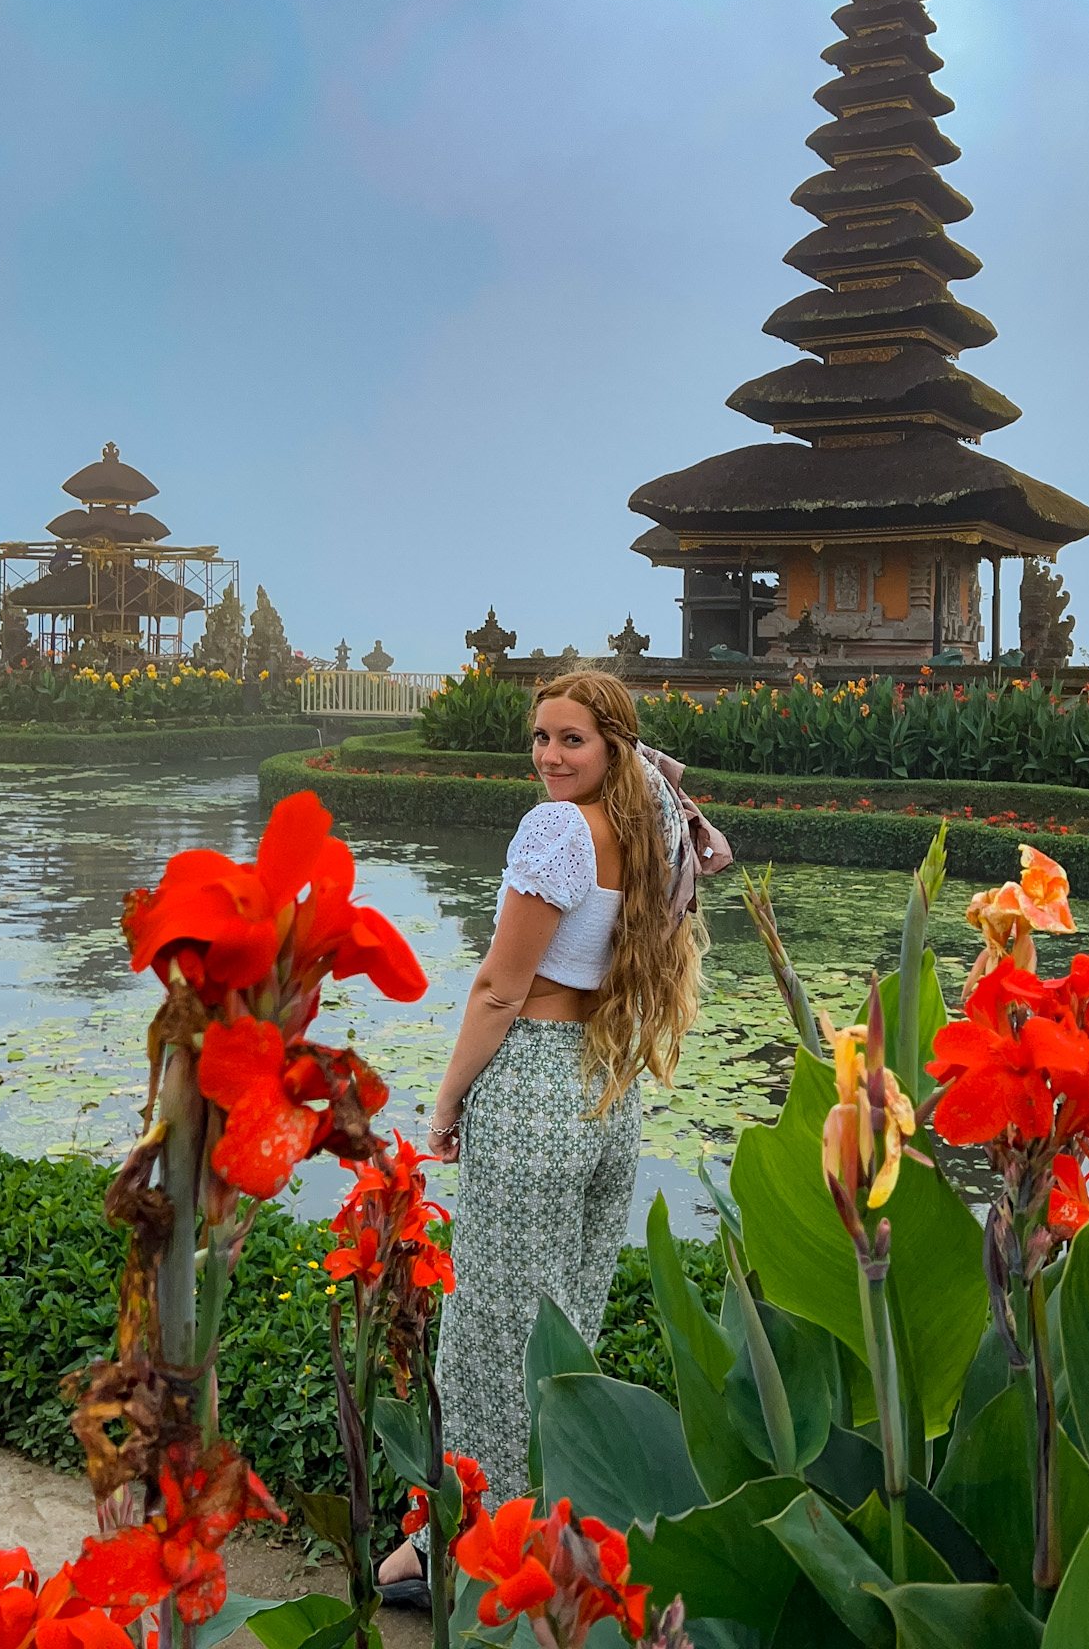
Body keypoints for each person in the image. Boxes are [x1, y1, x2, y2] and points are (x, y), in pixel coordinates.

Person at [378, 670, 729, 1603]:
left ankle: (450, 1542)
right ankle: (551, 1535)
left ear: (612, 742)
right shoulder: (650, 823)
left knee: (491, 1332)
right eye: (539, 738)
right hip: (605, 1089)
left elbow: (499, 988)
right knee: (565, 1331)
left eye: (570, 739)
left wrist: (446, 1106)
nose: (548, 756)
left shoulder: (558, 830)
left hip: (533, 1087)